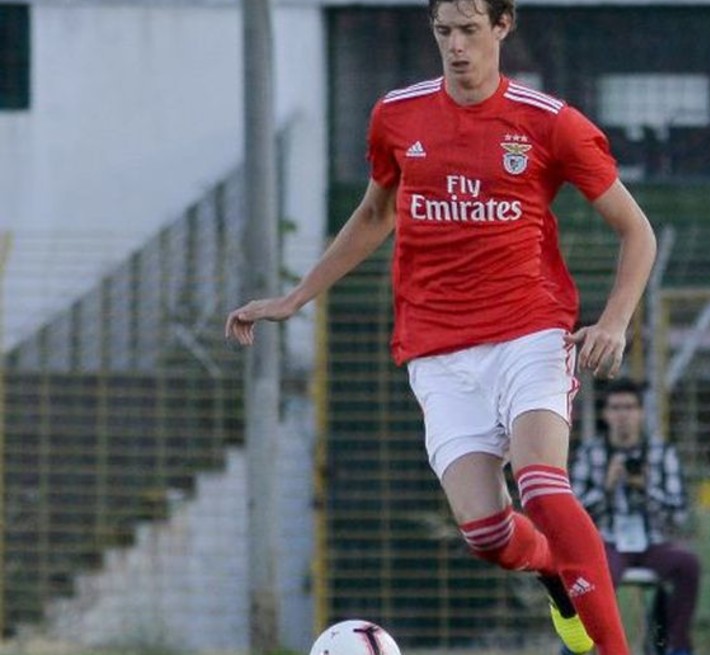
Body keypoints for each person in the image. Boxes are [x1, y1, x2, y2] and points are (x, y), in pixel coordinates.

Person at [226, 1, 657, 653]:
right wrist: (296, 297)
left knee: (543, 486)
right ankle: (553, 572)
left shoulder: (550, 124)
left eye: (470, 30)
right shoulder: (397, 115)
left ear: (503, 27)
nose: (456, 46)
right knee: (486, 533)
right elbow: (375, 214)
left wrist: (616, 320)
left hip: (529, 330)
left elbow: (636, 230)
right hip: (436, 348)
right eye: (443, 32)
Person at [570, 378, 700, 655]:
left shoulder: (661, 453)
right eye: (616, 408)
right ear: (605, 414)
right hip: (607, 540)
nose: (623, 415)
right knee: (595, 574)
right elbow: (573, 514)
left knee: (688, 565)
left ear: (640, 413)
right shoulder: (590, 453)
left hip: (653, 541)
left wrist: (646, 489)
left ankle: (676, 646)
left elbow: (678, 515)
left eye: (629, 407)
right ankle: (583, 647)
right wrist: (607, 486)